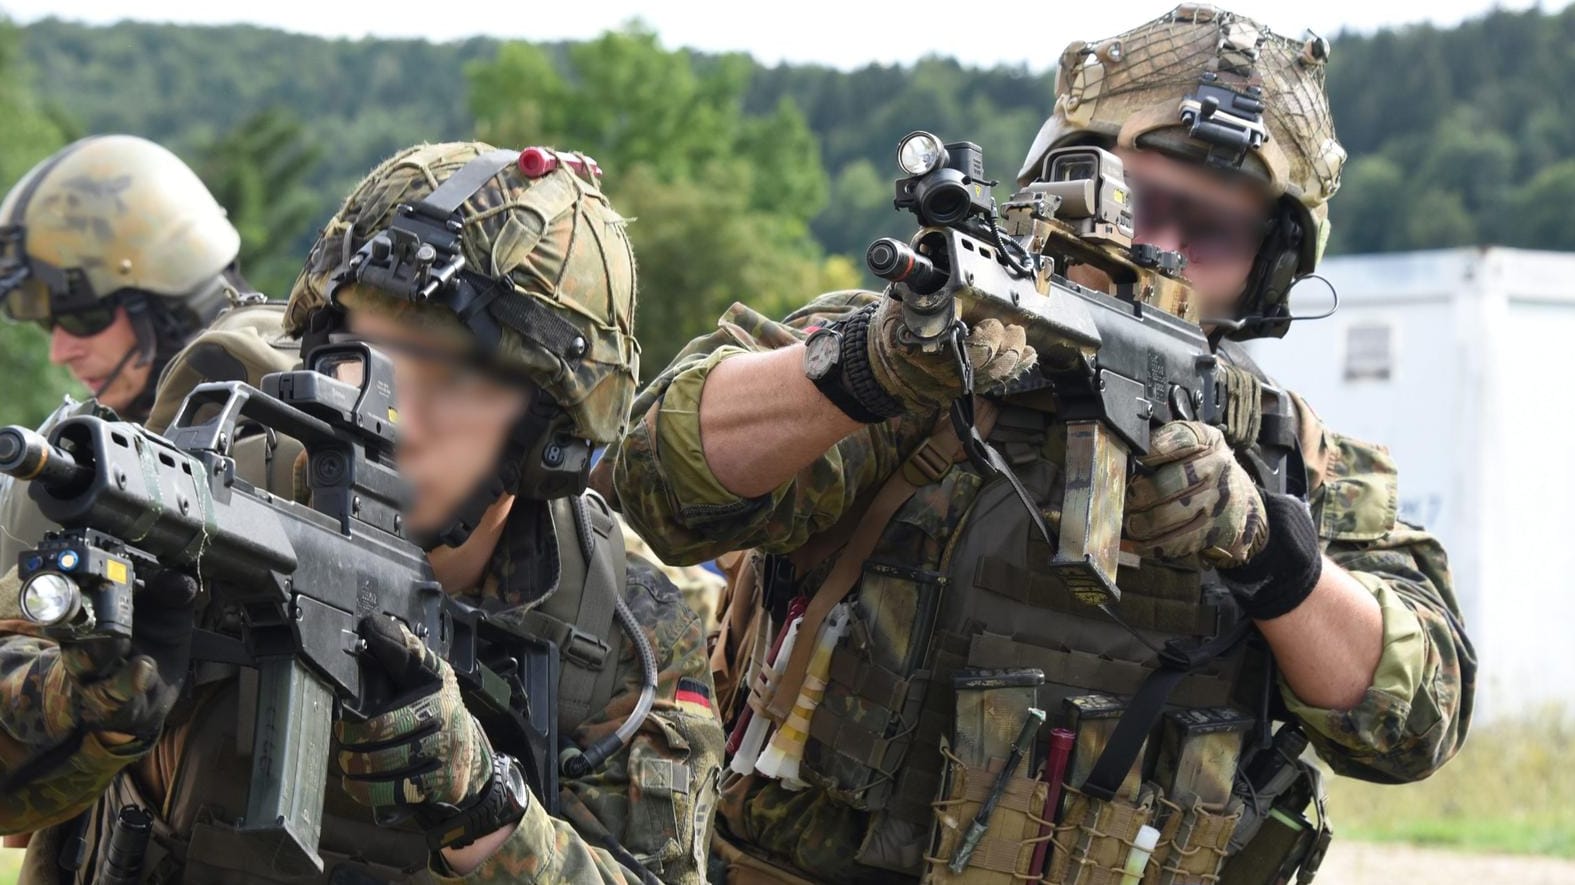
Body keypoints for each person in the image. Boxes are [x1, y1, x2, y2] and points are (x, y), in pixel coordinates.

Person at [609, 7, 1473, 884]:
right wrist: (871, 367)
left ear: (1269, 265)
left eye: (1211, 232)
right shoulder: (911, 344)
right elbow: (652, 480)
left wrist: (1268, 555)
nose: (1164, 247)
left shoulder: (1294, 456)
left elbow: (1417, 722)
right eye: (1142, 202)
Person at [0, 141, 723, 884]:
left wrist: (484, 810)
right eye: (357, 352)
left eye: (446, 375)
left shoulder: (618, 627)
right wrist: (82, 702)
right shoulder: (201, 502)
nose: (389, 406)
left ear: (547, 432)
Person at [0, 134, 263, 569]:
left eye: (83, 319)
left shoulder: (273, 444)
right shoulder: (120, 440)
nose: (60, 352)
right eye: (50, 324)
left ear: (165, 306)